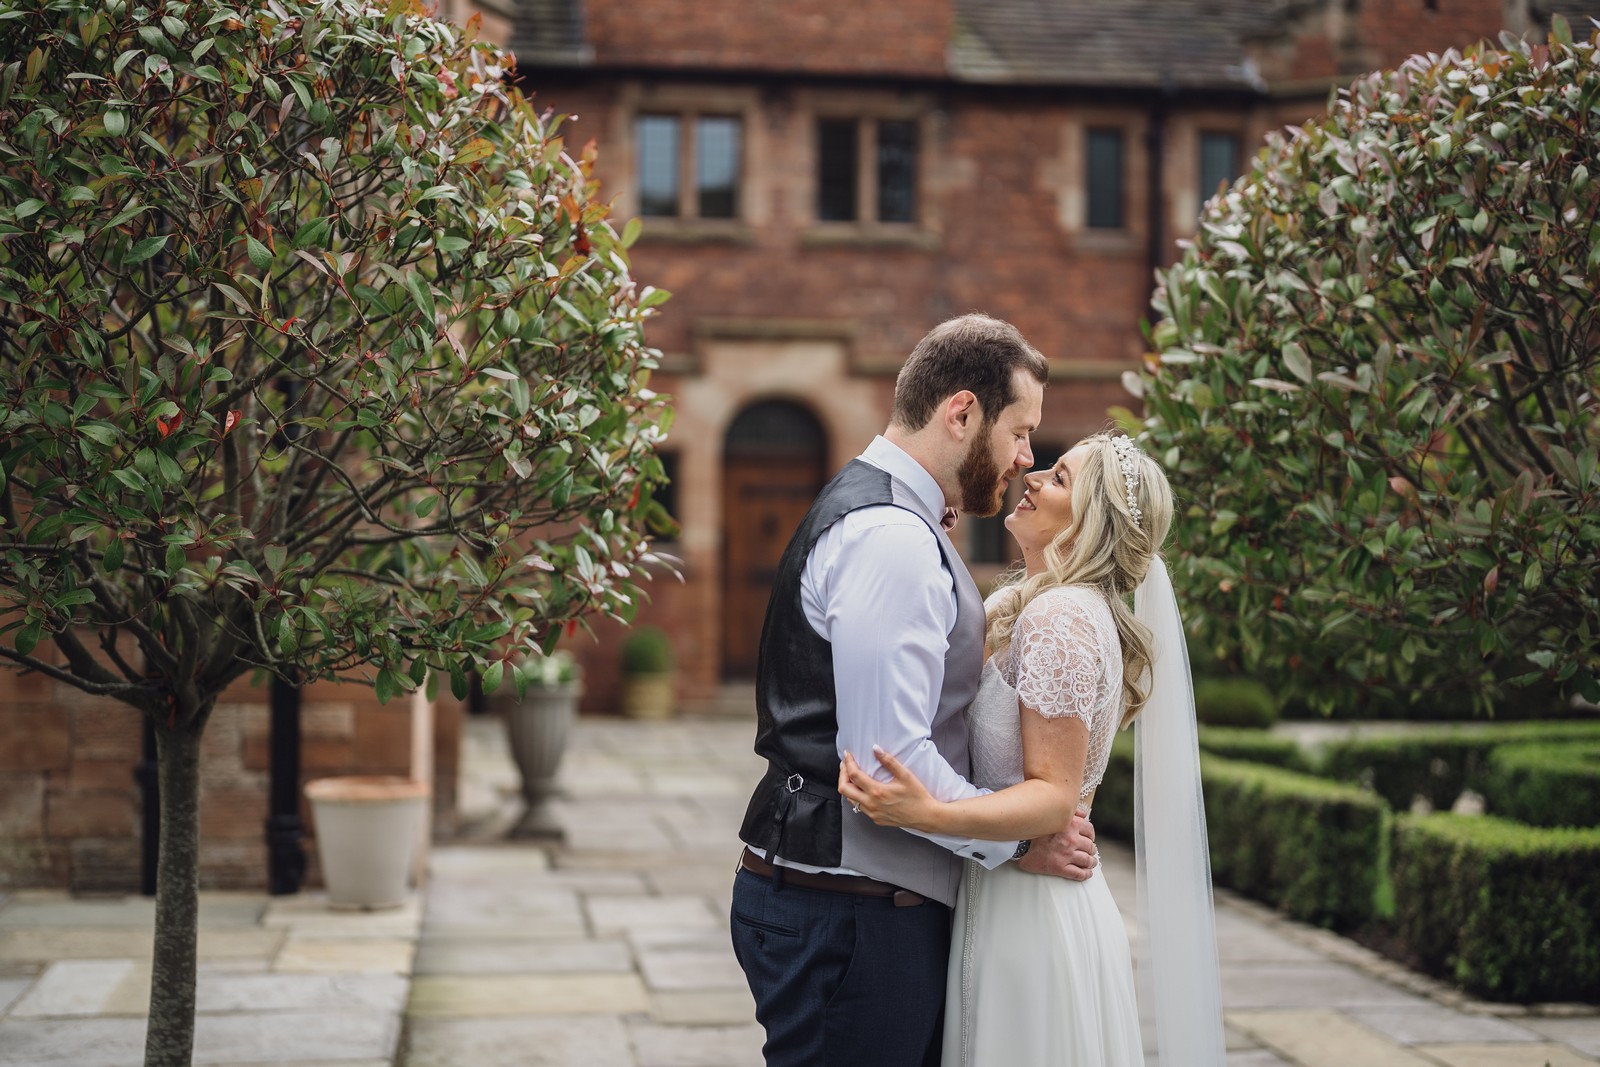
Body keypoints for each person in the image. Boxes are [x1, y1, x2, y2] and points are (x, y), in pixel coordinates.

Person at [731, 314, 1100, 1067]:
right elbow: (887, 762)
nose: (1028, 457)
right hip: (850, 919)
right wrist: (1018, 841)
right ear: (962, 413)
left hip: (847, 907)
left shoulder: (893, 518)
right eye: (1021, 432)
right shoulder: (892, 540)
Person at [838, 433, 1226, 1067]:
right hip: (1006, 891)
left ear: (1091, 523)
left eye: (1061, 478)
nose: (1035, 476)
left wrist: (923, 812)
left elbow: (1054, 798)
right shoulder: (1025, 605)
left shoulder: (1062, 617)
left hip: (1034, 914)